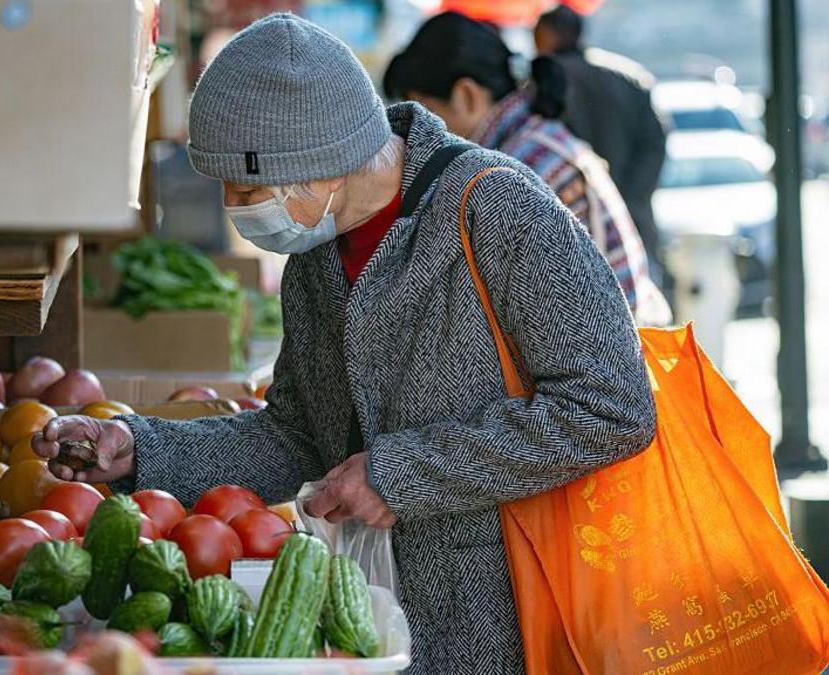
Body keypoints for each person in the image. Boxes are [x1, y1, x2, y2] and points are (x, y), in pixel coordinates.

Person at [33, 13, 656, 674]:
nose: (237, 207)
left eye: (248, 188)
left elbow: (613, 407)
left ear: (322, 163)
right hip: (381, 623)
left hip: (520, 624)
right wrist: (141, 448)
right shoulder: (314, 260)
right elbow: (296, 438)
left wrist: (401, 473)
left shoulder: (498, 210)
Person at [384, 11, 671, 327]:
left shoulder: (511, 170)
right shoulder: (534, 138)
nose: (423, 137)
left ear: (466, 95)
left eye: (429, 113)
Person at [536, 4, 669, 273]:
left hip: (574, 236)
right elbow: (655, 145)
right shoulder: (627, 77)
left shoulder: (543, 86)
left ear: (547, 36)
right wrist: (628, 197)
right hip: (632, 225)